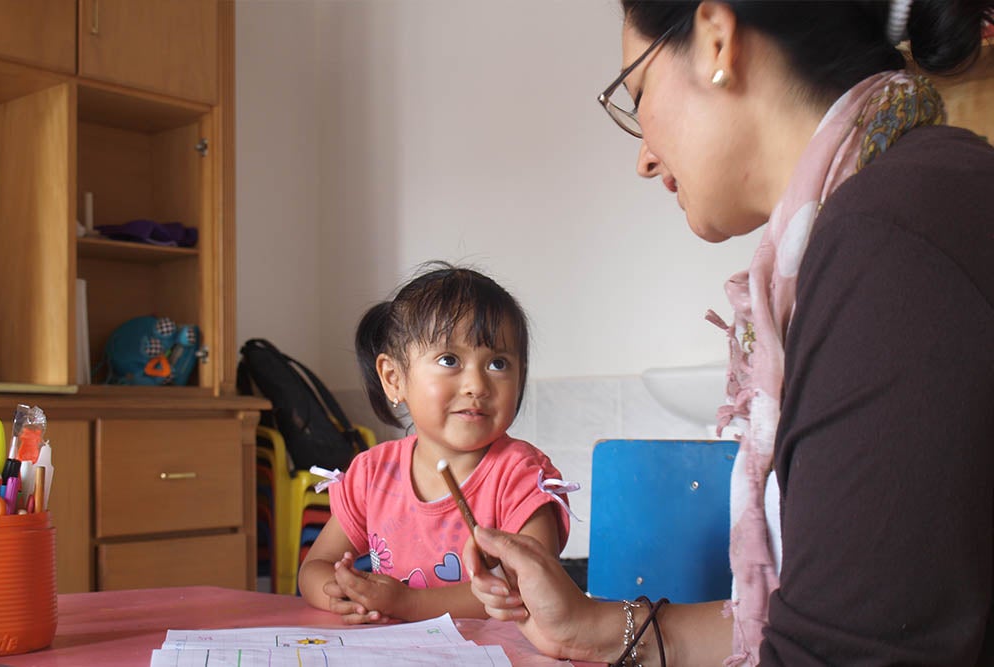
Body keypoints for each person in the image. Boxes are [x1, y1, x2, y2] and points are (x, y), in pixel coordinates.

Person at [466, 1, 994, 665]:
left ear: (717, 40)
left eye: (637, 92)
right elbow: (821, 626)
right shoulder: (888, 209)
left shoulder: (893, 242)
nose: (644, 160)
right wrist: (590, 626)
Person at [299, 262, 572, 624]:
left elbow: (529, 585)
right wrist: (340, 594)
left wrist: (408, 604)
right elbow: (315, 567)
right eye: (450, 360)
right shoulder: (372, 473)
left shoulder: (522, 476)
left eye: (498, 363)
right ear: (394, 378)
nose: (477, 384)